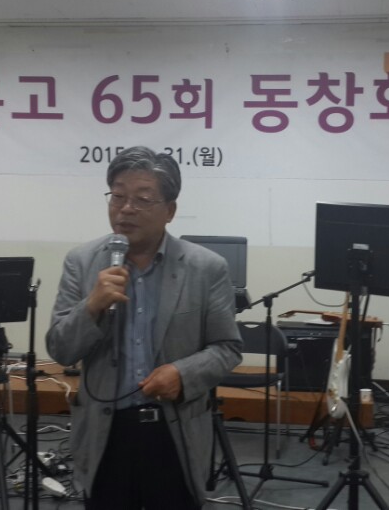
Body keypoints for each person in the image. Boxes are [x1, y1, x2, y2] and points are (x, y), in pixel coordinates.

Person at [46, 146, 243, 509]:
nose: (126, 209)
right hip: (105, 432)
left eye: (142, 199)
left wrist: (182, 374)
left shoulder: (206, 268)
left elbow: (226, 348)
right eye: (117, 196)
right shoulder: (81, 262)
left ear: (170, 210)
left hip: (174, 431)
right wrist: (92, 306)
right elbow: (60, 349)